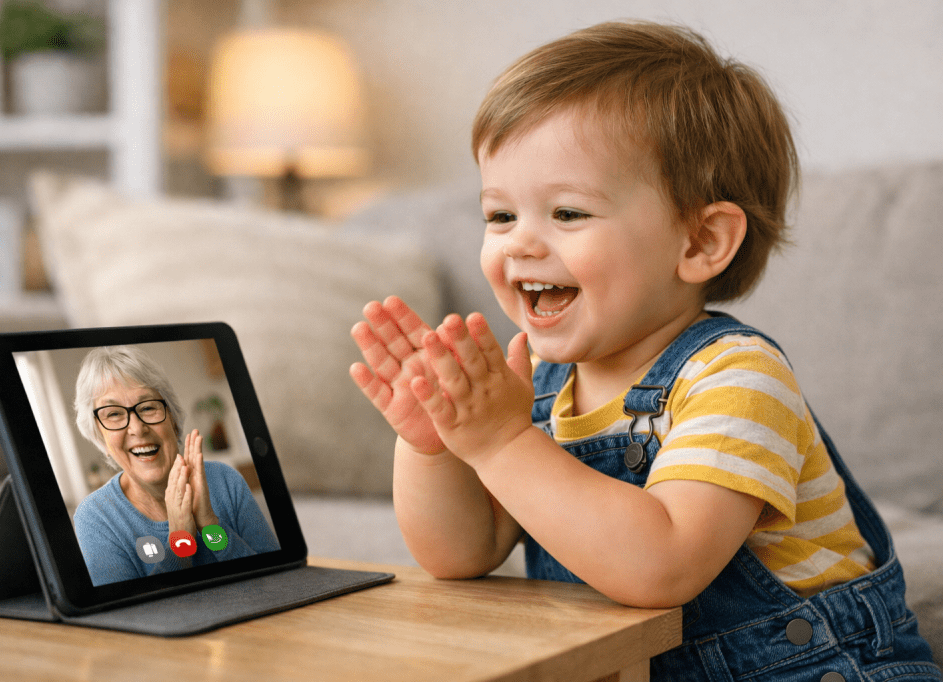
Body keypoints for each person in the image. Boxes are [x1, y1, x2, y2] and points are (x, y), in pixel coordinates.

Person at [350, 21, 940, 680]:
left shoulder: (737, 377)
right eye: (500, 215)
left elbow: (662, 563)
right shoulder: (541, 386)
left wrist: (500, 442)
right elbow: (463, 552)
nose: (518, 243)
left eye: (567, 213)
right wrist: (437, 443)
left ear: (700, 243)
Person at [73, 345, 278, 586]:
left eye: (148, 407)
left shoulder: (225, 481)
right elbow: (132, 616)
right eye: (114, 414)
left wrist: (210, 526)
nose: (137, 428)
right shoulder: (95, 517)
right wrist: (181, 543)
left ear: (173, 420)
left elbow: (277, 580)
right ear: (100, 437)